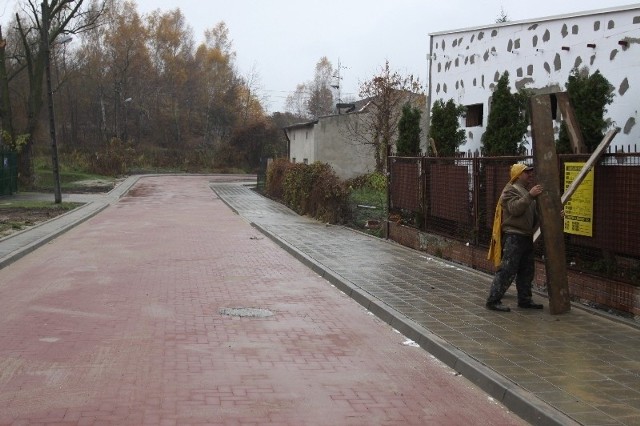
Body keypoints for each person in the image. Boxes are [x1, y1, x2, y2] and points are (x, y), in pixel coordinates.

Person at [486, 163, 544, 312]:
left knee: (527, 271)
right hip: (514, 236)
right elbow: (515, 209)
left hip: (526, 236)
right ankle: (493, 300)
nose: (530, 175)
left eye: (530, 172)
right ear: (518, 175)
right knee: (507, 270)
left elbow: (535, 217)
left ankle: (525, 300)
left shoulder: (526, 192)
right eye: (527, 173)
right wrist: (530, 195)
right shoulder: (510, 190)